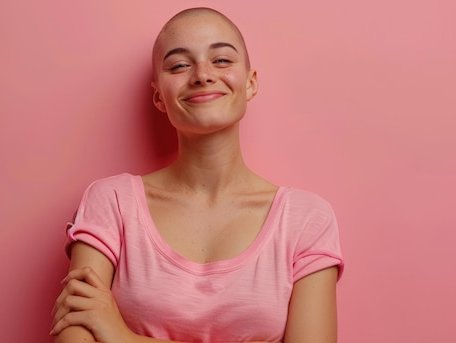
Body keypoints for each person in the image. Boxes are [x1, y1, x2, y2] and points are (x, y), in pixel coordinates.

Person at [51, 7, 343, 343]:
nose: (202, 75)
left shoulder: (306, 218)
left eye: (221, 60)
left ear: (250, 83)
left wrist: (121, 336)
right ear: (159, 96)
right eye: (179, 65)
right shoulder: (112, 202)